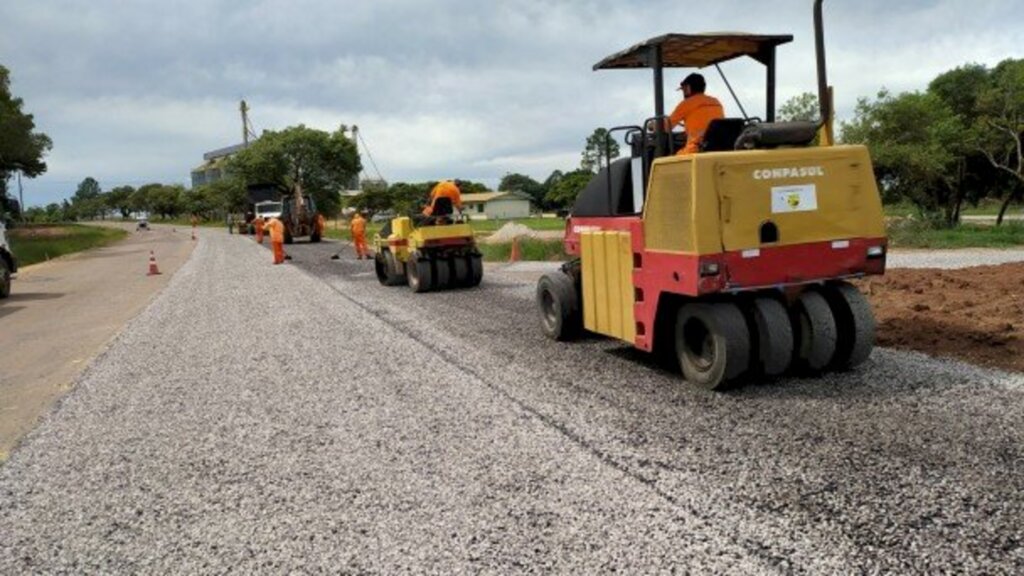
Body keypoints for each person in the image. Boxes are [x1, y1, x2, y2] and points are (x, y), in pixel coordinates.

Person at [668, 73, 724, 155]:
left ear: (688, 88)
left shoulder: (687, 104)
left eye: (683, 89)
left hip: (696, 149)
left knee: (670, 157)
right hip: (721, 147)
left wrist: (652, 126)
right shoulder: (716, 102)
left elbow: (665, 127)